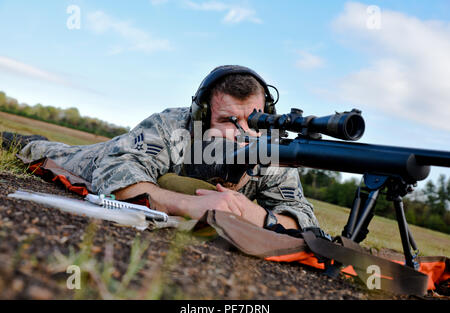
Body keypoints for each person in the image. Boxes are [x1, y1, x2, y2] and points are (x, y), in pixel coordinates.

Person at [5, 65, 319, 231]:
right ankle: (21, 139)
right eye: (228, 119)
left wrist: (260, 217)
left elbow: (303, 218)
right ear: (201, 114)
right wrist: (189, 205)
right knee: (39, 150)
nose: (242, 133)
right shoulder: (172, 126)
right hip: (91, 159)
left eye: (254, 120)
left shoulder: (269, 150)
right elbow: (115, 173)